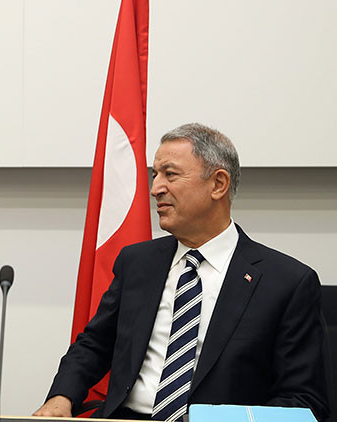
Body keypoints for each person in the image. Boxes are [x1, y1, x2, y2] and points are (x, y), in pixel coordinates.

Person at [34, 123, 329, 421]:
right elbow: (94, 345)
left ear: (218, 184)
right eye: (155, 175)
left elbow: (303, 399)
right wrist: (62, 397)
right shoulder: (137, 263)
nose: (155, 189)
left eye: (170, 174)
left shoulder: (286, 283)